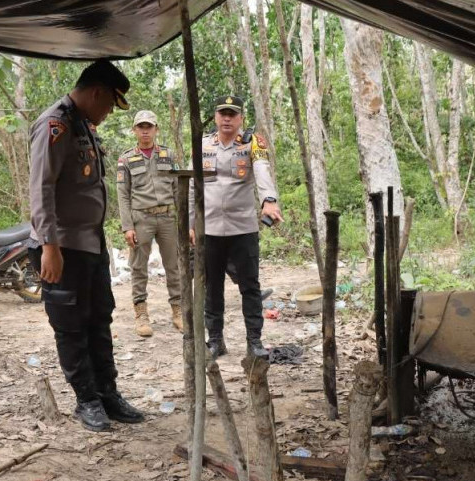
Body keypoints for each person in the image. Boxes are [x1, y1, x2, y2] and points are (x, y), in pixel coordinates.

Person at [27, 59, 144, 432]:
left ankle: (108, 393)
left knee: (99, 319)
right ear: (96, 92)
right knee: (71, 325)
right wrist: (49, 245)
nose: (109, 112)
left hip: (91, 244)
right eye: (110, 104)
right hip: (62, 246)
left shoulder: (83, 124)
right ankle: (86, 399)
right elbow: (41, 188)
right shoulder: (55, 125)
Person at [189, 96, 283, 359]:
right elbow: (191, 184)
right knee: (212, 287)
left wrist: (269, 200)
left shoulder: (252, 142)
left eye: (232, 114)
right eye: (223, 114)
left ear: (241, 118)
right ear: (216, 117)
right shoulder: (203, 144)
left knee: (250, 287)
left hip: (243, 227)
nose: (227, 119)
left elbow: (263, 170)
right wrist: (190, 223)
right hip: (210, 229)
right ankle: (216, 340)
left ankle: (254, 341)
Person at [116, 110, 182, 337]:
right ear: (134, 130)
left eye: (149, 126)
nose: (145, 131)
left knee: (173, 265)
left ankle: (178, 310)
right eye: (141, 127)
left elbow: (177, 188)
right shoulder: (126, 159)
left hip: (167, 217)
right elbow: (122, 195)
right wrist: (128, 226)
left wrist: (181, 219)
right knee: (139, 267)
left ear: (156, 129)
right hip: (141, 218)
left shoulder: (168, 155)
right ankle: (141, 315)